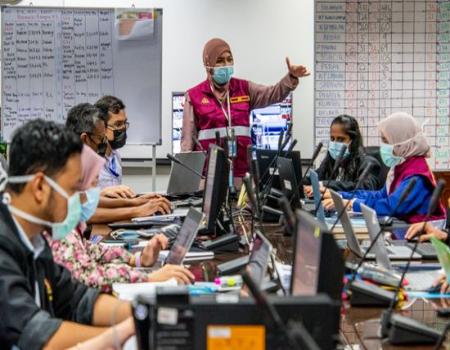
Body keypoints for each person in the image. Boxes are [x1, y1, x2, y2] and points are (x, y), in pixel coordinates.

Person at [0, 119, 132, 349]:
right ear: (40, 187)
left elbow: (75, 298)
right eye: (73, 189)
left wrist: (144, 313)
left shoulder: (35, 240)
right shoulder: (3, 247)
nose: (81, 198)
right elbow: (37, 334)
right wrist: (121, 333)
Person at [47, 146, 195, 292]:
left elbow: (90, 251)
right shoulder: (58, 229)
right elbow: (86, 276)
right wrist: (148, 278)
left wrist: (137, 259)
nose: (96, 193)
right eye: (92, 184)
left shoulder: (69, 225)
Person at [181, 38, 310, 183]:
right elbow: (187, 144)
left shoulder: (244, 88)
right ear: (207, 64)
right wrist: (188, 182)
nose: (226, 65)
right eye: (220, 61)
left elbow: (273, 93)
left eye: (229, 59)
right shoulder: (194, 95)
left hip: (242, 175)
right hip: (208, 178)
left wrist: (291, 77)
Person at [323, 112, 446, 223]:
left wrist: (352, 204)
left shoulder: (417, 174)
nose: (383, 146)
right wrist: (341, 196)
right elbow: (379, 196)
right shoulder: (402, 165)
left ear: (402, 141)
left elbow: (392, 206)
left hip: (423, 239)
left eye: (386, 141)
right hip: (406, 230)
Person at [66, 103, 171, 224]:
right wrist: (137, 211)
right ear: (84, 138)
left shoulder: (78, 159)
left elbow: (87, 199)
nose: (103, 145)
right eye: (100, 139)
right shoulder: (62, 165)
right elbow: (80, 213)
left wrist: (137, 202)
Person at [304, 115, 381, 196]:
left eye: (341, 139)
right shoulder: (330, 160)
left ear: (353, 141)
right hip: (328, 206)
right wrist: (298, 183)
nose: (335, 143)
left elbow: (363, 188)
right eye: (332, 139)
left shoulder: (369, 164)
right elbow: (313, 179)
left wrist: (324, 184)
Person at [95, 95, 129, 189]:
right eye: (118, 124)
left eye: (124, 123)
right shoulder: (90, 160)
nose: (123, 128)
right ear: (101, 126)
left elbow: (117, 196)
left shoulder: (116, 156)